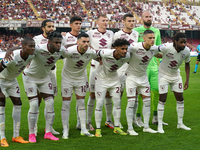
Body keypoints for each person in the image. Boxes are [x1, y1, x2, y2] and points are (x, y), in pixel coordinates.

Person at [22, 31, 65, 142]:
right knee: (34, 104)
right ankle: (31, 134)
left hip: (44, 78)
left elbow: (72, 50)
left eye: (60, 43)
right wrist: (9, 50)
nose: (58, 45)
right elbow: (22, 48)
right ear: (49, 42)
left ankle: (48, 132)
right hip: (30, 77)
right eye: (56, 43)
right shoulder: (38, 48)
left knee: (50, 103)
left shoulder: (61, 50)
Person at [133, 10, 167, 126]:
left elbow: (158, 48)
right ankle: (137, 118)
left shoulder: (156, 31)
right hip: (141, 65)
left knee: (156, 90)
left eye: (150, 16)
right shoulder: (136, 31)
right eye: (146, 16)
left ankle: (155, 117)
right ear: (141, 18)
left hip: (154, 65)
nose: (148, 18)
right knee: (140, 93)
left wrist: (162, 61)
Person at [61, 33, 98, 139]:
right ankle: (65, 130)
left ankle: (83, 129)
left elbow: (100, 57)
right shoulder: (70, 51)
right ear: (78, 42)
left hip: (81, 79)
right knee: (66, 104)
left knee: (81, 102)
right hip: (67, 79)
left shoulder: (91, 52)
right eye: (83, 41)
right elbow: (57, 55)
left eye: (87, 42)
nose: (86, 44)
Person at [126, 30, 162, 135]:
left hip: (143, 78)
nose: (152, 40)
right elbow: (123, 52)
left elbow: (159, 54)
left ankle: (146, 126)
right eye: (150, 38)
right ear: (144, 38)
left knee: (147, 102)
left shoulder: (154, 49)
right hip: (131, 77)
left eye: (153, 38)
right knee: (131, 102)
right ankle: (129, 128)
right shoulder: (134, 47)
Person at [0, 38, 35, 147]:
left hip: (12, 80)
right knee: (1, 103)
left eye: (33, 46)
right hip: (1, 79)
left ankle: (16, 136)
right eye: (30, 46)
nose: (33, 48)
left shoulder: (32, 54)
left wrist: (10, 48)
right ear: (24, 47)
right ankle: (2, 137)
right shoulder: (12, 57)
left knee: (18, 102)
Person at [95, 38, 130, 137]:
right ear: (116, 48)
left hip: (114, 79)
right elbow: (94, 54)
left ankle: (117, 127)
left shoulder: (127, 57)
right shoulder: (105, 53)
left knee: (117, 103)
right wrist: (98, 60)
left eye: (126, 49)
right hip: (101, 79)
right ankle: (98, 129)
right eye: (122, 49)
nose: (125, 51)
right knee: (99, 103)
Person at [157, 32, 191, 133]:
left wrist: (187, 80)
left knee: (180, 98)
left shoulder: (187, 51)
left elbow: (187, 64)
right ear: (175, 41)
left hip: (176, 76)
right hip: (163, 75)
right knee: (162, 99)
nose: (183, 44)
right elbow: (154, 50)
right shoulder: (166, 47)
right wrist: (159, 56)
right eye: (181, 42)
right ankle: (159, 125)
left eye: (185, 42)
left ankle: (180, 123)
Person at [86, 14, 114, 130]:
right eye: (103, 20)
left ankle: (108, 120)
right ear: (97, 22)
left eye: (106, 20)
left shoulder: (111, 33)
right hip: (95, 65)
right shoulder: (91, 33)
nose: (105, 22)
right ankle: (88, 122)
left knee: (108, 94)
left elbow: (113, 47)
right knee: (92, 94)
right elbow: (86, 43)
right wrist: (95, 54)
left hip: (107, 66)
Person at [33, 19, 59, 135]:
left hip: (51, 73)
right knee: (37, 101)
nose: (51, 28)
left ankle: (49, 127)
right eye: (49, 26)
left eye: (53, 26)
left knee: (50, 100)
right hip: (39, 74)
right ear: (43, 28)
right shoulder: (37, 39)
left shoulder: (57, 40)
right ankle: (34, 127)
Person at [61, 16, 87, 130]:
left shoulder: (85, 36)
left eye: (80, 23)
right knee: (67, 101)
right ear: (70, 25)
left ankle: (80, 122)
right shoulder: (65, 37)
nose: (78, 25)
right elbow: (61, 51)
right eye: (76, 23)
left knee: (81, 99)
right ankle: (66, 127)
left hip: (82, 72)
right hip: (69, 71)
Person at [113, 14, 138, 128]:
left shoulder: (136, 33)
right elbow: (113, 50)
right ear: (124, 22)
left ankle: (133, 119)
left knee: (135, 95)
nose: (132, 23)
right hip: (121, 68)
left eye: (133, 21)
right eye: (129, 21)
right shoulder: (117, 34)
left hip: (132, 68)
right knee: (119, 95)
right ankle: (116, 121)